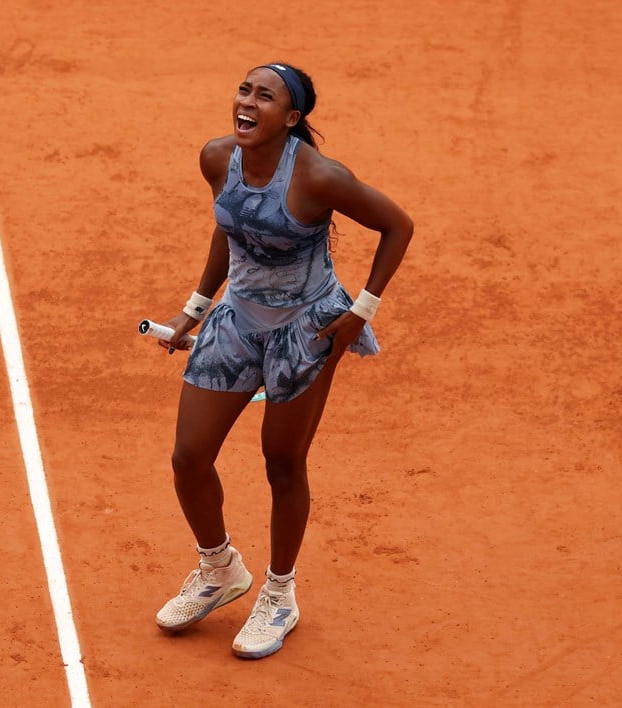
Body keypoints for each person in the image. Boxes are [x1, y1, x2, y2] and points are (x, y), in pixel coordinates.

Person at [153, 63, 413, 659]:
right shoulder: (218, 157)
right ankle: (220, 569)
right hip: (238, 320)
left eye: (264, 96)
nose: (246, 102)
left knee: (283, 463)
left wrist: (360, 311)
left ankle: (279, 594)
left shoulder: (321, 177)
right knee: (189, 456)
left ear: (292, 118)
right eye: (243, 90)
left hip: (306, 329)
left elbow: (398, 225)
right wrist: (195, 310)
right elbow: (231, 224)